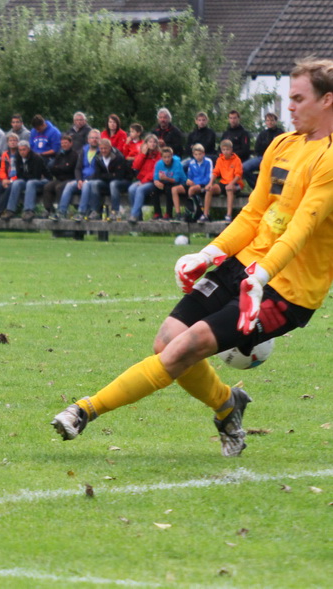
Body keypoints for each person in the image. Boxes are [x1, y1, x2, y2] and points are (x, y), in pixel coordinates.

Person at [51, 57, 333, 458]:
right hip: (246, 265)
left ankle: (84, 410)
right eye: (290, 97)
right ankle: (227, 404)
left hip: (287, 290)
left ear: (327, 101)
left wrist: (262, 276)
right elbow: (253, 214)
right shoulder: (282, 145)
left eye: (299, 99)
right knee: (166, 340)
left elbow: (301, 228)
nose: (290, 106)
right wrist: (209, 253)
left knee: (187, 346)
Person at [1, 140, 49, 222]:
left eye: (24, 150)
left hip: (43, 181)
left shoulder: (36, 158)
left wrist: (25, 176)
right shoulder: (18, 157)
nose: (22, 152)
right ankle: (10, 210)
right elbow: (19, 175)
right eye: (20, 150)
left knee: (30, 183)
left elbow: (36, 176)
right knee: (16, 183)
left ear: (28, 149)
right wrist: (24, 176)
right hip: (27, 180)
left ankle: (29, 210)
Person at [59, 129, 100, 221]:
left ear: (100, 139)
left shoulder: (101, 151)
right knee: (69, 185)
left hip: (94, 179)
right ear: (88, 139)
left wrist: (87, 180)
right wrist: (79, 180)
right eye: (92, 138)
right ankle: (61, 212)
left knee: (86, 185)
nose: (94, 140)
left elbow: (99, 171)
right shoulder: (84, 150)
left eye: (96, 138)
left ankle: (81, 212)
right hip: (82, 179)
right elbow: (78, 168)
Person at [85, 138, 131, 221]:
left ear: (110, 147)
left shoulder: (118, 157)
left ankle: (115, 211)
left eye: (105, 148)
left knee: (113, 184)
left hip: (123, 182)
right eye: (101, 148)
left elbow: (119, 176)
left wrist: (105, 176)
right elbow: (98, 175)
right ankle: (95, 211)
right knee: (94, 183)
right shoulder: (98, 157)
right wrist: (111, 175)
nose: (103, 151)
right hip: (107, 182)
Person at [204, 138, 244, 223]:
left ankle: (228, 215)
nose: (225, 152)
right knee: (209, 189)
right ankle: (205, 214)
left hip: (236, 183)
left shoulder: (237, 160)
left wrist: (231, 184)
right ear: (221, 150)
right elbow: (215, 172)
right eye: (224, 150)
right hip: (224, 182)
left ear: (231, 150)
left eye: (227, 149)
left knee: (229, 189)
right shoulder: (220, 159)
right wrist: (210, 183)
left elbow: (238, 175)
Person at [41, 134, 79, 220]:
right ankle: (49, 209)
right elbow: (53, 168)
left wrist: (58, 168)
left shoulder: (74, 155)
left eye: (66, 143)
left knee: (59, 187)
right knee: (47, 187)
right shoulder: (59, 155)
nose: (64, 145)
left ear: (71, 143)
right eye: (62, 143)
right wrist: (60, 168)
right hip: (59, 178)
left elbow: (69, 168)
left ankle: (61, 211)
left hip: (70, 179)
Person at [242, 112, 285, 188]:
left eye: (272, 120)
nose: (270, 122)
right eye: (268, 120)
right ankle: (258, 187)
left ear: (276, 121)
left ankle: (269, 189)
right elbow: (257, 148)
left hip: (275, 159)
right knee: (243, 168)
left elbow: (282, 148)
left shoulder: (281, 133)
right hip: (262, 157)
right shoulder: (263, 134)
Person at [128, 133, 161, 222]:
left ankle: (134, 215)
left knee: (140, 189)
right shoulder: (142, 154)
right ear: (146, 143)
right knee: (131, 189)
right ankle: (138, 215)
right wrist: (143, 154)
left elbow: (155, 171)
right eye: (150, 142)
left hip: (152, 181)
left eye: (154, 142)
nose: (152, 144)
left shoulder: (159, 155)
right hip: (142, 180)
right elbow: (135, 166)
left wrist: (143, 182)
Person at [150, 146, 187, 221]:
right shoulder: (158, 164)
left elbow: (176, 180)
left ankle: (168, 213)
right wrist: (157, 182)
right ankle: (157, 213)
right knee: (154, 189)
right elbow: (156, 178)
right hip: (165, 182)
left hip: (178, 183)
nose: (167, 159)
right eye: (165, 157)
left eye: (168, 157)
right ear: (161, 157)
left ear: (171, 156)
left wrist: (165, 178)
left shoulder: (177, 164)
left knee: (169, 189)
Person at [185, 143, 213, 222]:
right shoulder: (191, 163)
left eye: (200, 154)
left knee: (191, 190)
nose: (198, 156)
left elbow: (209, 177)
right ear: (193, 155)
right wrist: (188, 181)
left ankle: (196, 213)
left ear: (203, 154)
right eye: (196, 154)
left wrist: (198, 184)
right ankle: (193, 212)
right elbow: (190, 176)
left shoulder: (208, 161)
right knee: (185, 188)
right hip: (194, 185)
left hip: (204, 185)